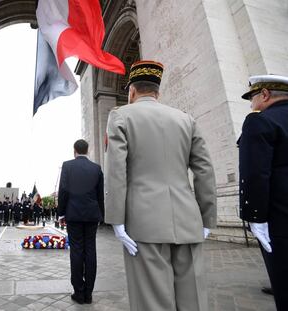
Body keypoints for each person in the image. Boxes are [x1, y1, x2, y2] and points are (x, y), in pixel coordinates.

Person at [104, 60, 217, 311]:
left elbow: (116, 171)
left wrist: (116, 220)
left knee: (153, 302)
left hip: (143, 223)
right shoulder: (186, 120)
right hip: (188, 221)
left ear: (132, 90)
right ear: (158, 91)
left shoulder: (120, 116)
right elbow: (205, 170)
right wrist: (207, 219)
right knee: (193, 301)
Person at [238, 74, 288, 311]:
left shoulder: (260, 121)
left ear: (265, 94)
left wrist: (255, 217)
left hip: (280, 221)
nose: (251, 104)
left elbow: (255, 172)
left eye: (253, 98)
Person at [58, 139, 104, 305]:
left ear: (74, 150)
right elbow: (100, 195)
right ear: (88, 150)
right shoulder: (96, 168)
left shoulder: (67, 166)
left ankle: (79, 292)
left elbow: (63, 190)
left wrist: (61, 213)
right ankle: (89, 293)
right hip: (92, 215)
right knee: (90, 251)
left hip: (74, 214)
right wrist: (101, 215)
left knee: (76, 251)